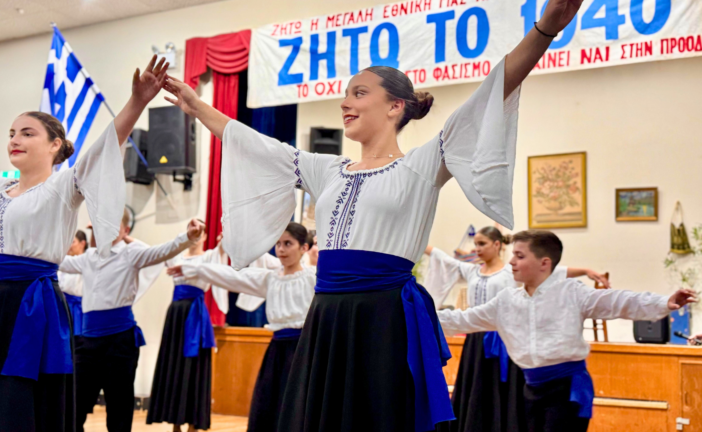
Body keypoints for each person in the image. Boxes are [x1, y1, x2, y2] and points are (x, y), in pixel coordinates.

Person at [162, 1, 584, 430]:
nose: (345, 103)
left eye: (359, 93)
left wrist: (545, 30)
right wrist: (197, 107)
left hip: (384, 316)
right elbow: (255, 145)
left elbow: (490, 94)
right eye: (345, 94)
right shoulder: (326, 169)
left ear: (395, 107)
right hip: (326, 316)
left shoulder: (421, 165)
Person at [0, 55, 168, 432]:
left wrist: (137, 102)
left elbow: (106, 145)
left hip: (29, 304)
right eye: (11, 133)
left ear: (55, 145)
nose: (15, 139)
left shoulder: (61, 186)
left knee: (16, 398)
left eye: (27, 133)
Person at [438, 230, 697, 432]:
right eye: (513, 255)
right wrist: (415, 316)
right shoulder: (507, 301)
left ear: (544, 263)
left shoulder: (572, 293)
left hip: (566, 390)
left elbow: (619, 301)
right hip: (529, 388)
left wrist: (664, 302)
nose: (512, 263)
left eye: (519, 256)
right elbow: (462, 320)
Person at [424, 227, 609, 432]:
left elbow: (553, 269)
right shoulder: (472, 270)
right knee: (478, 388)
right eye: (475, 244)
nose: (477, 248)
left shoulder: (511, 272)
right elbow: (443, 259)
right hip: (477, 339)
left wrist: (585, 271)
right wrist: (415, 241)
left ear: (497, 245)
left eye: (482, 243)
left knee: (507, 391)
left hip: (505, 340)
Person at [59, 212, 203, 432]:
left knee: (119, 412)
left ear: (125, 230)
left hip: (119, 343)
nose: (102, 227)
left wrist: (188, 236)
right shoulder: (88, 257)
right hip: (87, 343)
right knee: (74, 408)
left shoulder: (131, 253)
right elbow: (58, 260)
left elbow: (162, 250)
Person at [168, 222, 315, 432]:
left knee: (299, 406)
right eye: (278, 244)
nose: (281, 249)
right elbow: (233, 276)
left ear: (304, 248)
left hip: (303, 352)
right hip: (277, 351)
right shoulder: (271, 279)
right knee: (269, 404)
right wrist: (193, 267)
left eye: (288, 244)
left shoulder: (313, 277)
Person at [146, 220, 217, 432]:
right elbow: (151, 251)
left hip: (195, 314)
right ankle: (175, 421)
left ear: (205, 236)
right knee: (174, 364)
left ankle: (193, 422)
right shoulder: (176, 257)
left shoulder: (209, 256)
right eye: (193, 232)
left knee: (194, 367)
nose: (197, 236)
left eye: (201, 232)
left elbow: (224, 255)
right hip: (176, 315)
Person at [59, 230, 88, 338]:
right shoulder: (64, 262)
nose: (69, 246)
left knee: (77, 342)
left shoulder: (87, 261)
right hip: (63, 305)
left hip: (79, 309)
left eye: (73, 242)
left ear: (82, 243)